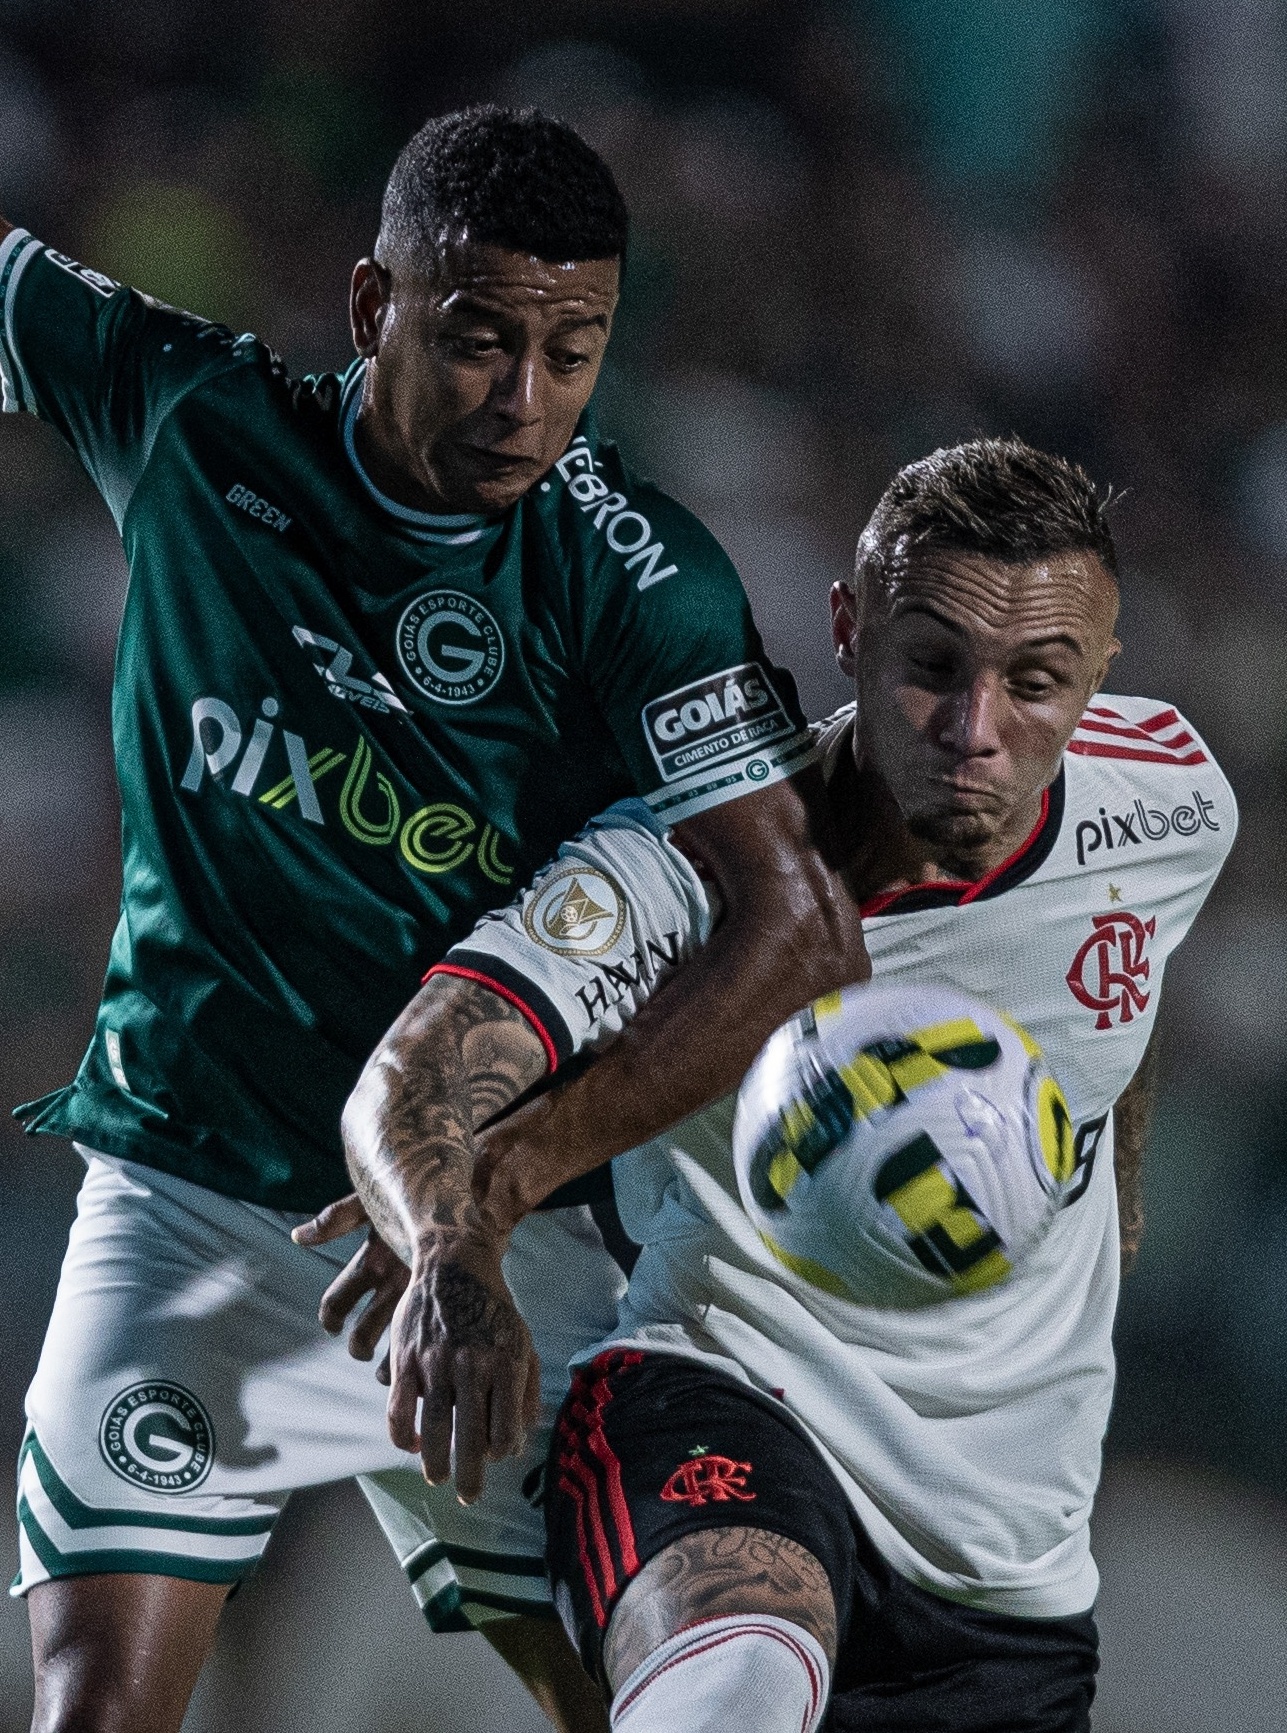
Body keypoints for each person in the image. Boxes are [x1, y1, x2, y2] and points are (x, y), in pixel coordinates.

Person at [0, 105, 866, 1733]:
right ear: (370, 306)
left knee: (660, 1695)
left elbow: (799, 924)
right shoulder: (198, 421)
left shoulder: (635, 573)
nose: (524, 398)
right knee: (94, 1706)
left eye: (573, 347)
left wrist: (494, 1180)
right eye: (479, 339)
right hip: (196, 1194)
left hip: (504, 1239)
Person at [326, 438, 1235, 1731]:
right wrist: (451, 1238)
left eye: (1038, 681)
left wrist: (1114, 1185)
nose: (977, 732)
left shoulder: (1172, 798)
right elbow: (411, 1078)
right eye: (932, 666)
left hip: (999, 1553)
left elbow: (1118, 980)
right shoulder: (689, 868)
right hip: (715, 1406)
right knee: (736, 1690)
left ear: (1102, 670)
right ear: (848, 628)